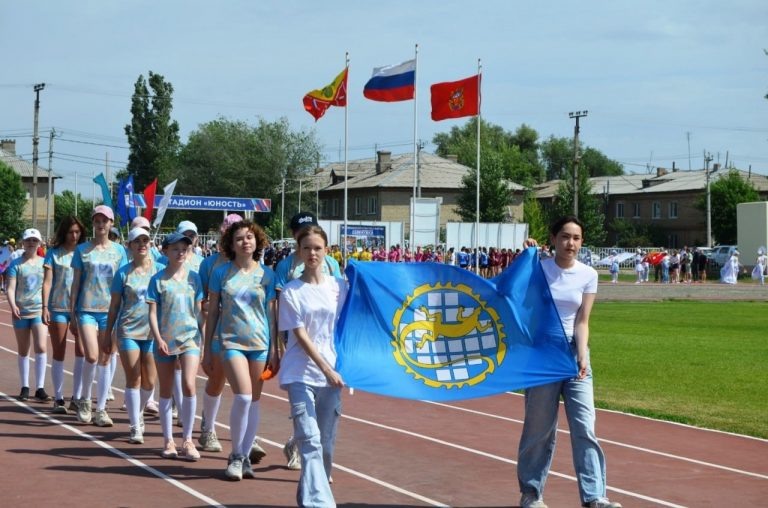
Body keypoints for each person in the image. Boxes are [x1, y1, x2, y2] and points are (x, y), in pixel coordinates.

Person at [518, 216, 622, 508]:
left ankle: (594, 496)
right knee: (539, 429)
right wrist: (525, 254)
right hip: (541, 358)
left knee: (584, 427)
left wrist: (583, 354)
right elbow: (509, 290)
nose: (570, 243)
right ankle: (531, 493)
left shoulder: (588, 274)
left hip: (574, 357)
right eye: (564, 237)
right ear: (553, 239)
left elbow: (582, 320)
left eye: (576, 238)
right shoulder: (538, 269)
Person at [278, 224, 348, 507]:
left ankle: (309, 493)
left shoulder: (338, 287)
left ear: (326, 251)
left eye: (317, 248)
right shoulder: (291, 292)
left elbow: (350, 321)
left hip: (332, 375)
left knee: (325, 447)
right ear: (299, 251)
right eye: (306, 248)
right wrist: (325, 369)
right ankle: (319, 503)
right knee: (309, 440)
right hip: (300, 372)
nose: (312, 253)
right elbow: (301, 336)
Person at [204, 220, 278, 480]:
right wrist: (206, 348)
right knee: (243, 397)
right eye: (239, 238)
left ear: (257, 242)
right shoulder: (221, 273)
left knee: (255, 401)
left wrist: (275, 349)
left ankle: (245, 456)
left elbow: (271, 314)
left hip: (259, 344)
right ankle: (235, 455)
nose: (245, 242)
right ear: (231, 244)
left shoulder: (267, 275)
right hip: (230, 342)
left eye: (249, 237)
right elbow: (213, 312)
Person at [147, 232, 204, 461]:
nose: (180, 253)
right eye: (175, 249)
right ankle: (168, 440)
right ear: (165, 251)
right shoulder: (158, 280)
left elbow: (199, 310)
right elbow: (152, 312)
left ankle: (188, 439)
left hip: (190, 338)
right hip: (165, 341)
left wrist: (203, 336)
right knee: (166, 389)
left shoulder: (194, 278)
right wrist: (158, 338)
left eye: (184, 249)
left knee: (189, 385)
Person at [69, 206, 129, 426]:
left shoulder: (119, 251)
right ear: (93, 224)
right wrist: (72, 311)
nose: (101, 224)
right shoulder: (82, 250)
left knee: (105, 357)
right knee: (92, 356)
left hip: (110, 311)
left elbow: (123, 282)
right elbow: (75, 283)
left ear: (111, 223)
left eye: (105, 221)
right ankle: (84, 399)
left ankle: (101, 408)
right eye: (97, 221)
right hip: (86, 309)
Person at [105, 227, 164, 444]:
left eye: (145, 240)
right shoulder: (122, 273)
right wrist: (107, 335)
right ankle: (135, 425)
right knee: (134, 378)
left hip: (152, 332)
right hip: (128, 330)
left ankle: (138, 412)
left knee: (149, 380)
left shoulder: (159, 270)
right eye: (137, 241)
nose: (142, 244)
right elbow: (113, 307)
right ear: (129, 246)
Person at [197, 213, 244, 455]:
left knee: (244, 388)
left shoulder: (250, 264)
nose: (231, 237)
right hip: (218, 332)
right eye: (228, 232)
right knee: (217, 381)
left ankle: (247, 436)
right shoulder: (209, 265)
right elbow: (203, 301)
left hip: (244, 334)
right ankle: (208, 428)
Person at [42, 216, 86, 413]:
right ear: (64, 232)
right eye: (71, 232)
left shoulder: (85, 252)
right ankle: (58, 398)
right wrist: (44, 306)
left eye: (77, 232)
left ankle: (76, 397)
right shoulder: (53, 253)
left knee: (82, 352)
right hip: (58, 307)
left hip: (81, 309)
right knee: (59, 352)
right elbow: (47, 282)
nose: (74, 235)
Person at [7, 228, 51, 402]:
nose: (31, 243)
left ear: (39, 243)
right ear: (23, 243)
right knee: (24, 349)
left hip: (39, 311)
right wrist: (13, 306)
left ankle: (40, 387)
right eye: (28, 240)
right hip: (21, 312)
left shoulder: (45, 263)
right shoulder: (15, 264)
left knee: (41, 346)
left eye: (34, 240)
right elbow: (10, 288)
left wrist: (46, 307)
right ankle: (25, 386)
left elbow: (48, 287)